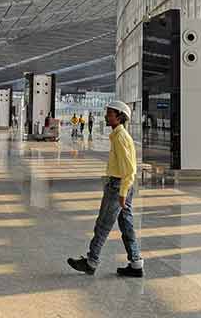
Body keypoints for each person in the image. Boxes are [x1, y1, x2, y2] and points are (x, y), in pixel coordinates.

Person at [67, 100, 143, 278]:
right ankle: (136, 263)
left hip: (118, 186)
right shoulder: (117, 135)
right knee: (126, 225)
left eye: (109, 113)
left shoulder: (120, 137)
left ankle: (91, 261)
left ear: (119, 116)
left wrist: (122, 193)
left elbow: (130, 170)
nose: (106, 116)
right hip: (120, 185)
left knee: (103, 224)